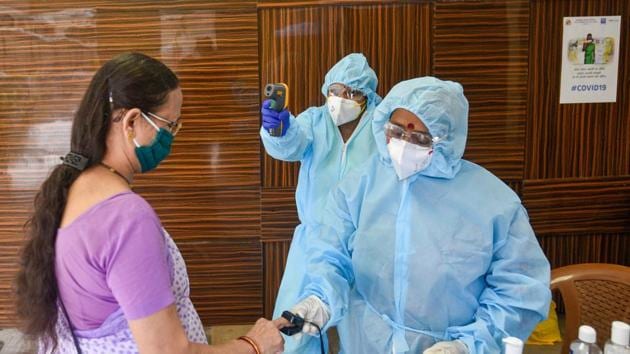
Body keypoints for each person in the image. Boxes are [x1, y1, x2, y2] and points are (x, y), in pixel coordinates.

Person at [15, 52, 284, 354]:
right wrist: (254, 344)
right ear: (131, 121)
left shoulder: (73, 189)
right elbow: (167, 351)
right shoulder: (126, 217)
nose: (171, 137)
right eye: (170, 125)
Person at [284, 77, 552, 353]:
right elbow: (331, 253)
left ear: (446, 138)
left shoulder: (494, 203)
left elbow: (519, 291)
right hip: (367, 342)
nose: (404, 143)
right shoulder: (359, 186)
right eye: (396, 131)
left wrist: (468, 345)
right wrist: (320, 299)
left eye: (419, 138)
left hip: (449, 343)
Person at [260, 53, 381, 353]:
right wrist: (279, 128)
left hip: (365, 242)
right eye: (335, 91)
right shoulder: (315, 120)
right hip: (314, 240)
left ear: (367, 96)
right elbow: (292, 145)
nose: (341, 99)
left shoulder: (380, 124)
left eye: (351, 93)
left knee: (364, 326)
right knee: (297, 327)